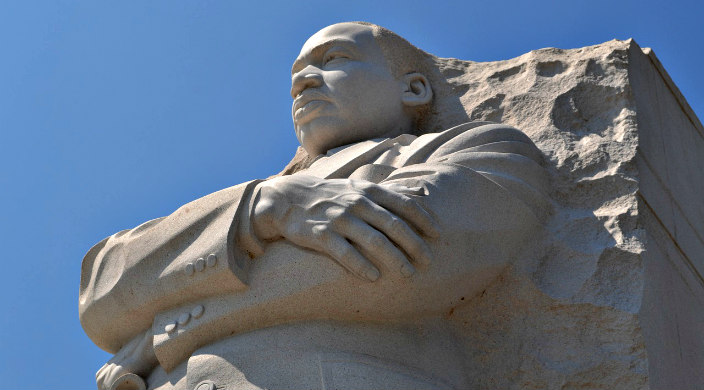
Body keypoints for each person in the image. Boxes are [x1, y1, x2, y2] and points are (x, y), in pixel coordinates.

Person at [80, 22, 550, 390]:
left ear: (414, 90)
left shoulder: (484, 150)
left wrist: (164, 328)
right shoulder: (250, 198)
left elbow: (395, 254)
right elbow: (101, 291)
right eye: (295, 76)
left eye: (333, 59)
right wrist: (266, 206)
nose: (302, 81)